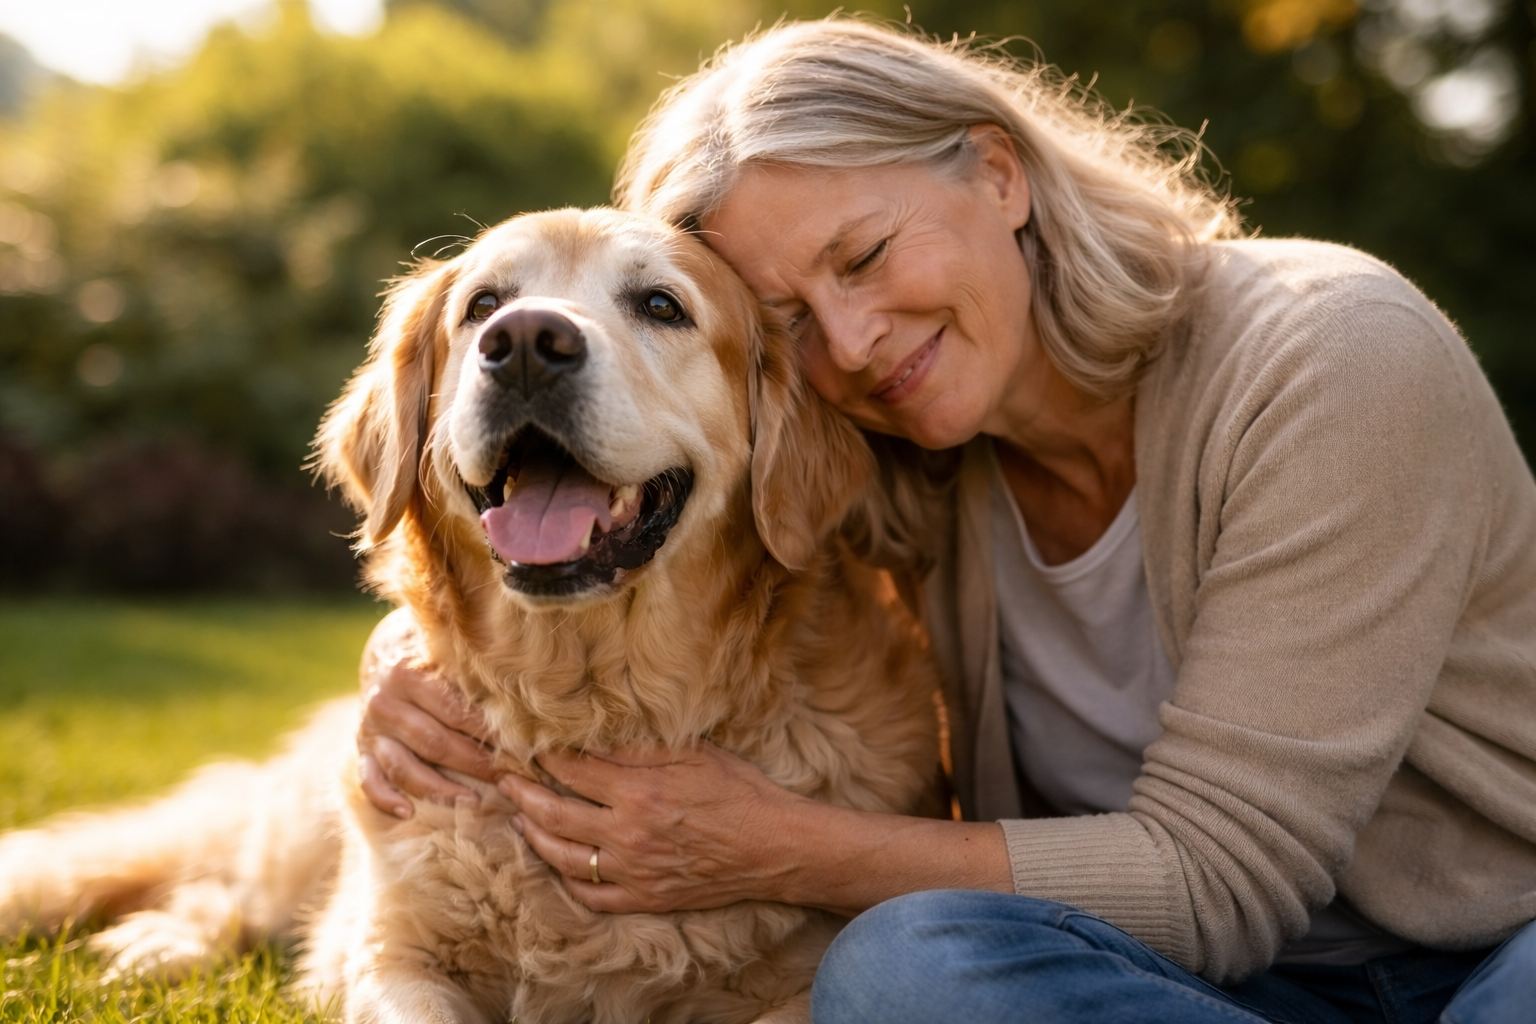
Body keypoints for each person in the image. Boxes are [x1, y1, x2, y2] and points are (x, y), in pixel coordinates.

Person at [351, 18, 1536, 1023]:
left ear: (999, 173)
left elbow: (1223, 879)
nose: (852, 341)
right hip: (1166, 980)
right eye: (789, 317)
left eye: (866, 254)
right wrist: (418, 660)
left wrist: (770, 842)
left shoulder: (1334, 357)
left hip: (1486, 947)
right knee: (903, 968)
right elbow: (644, 512)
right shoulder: (888, 445)